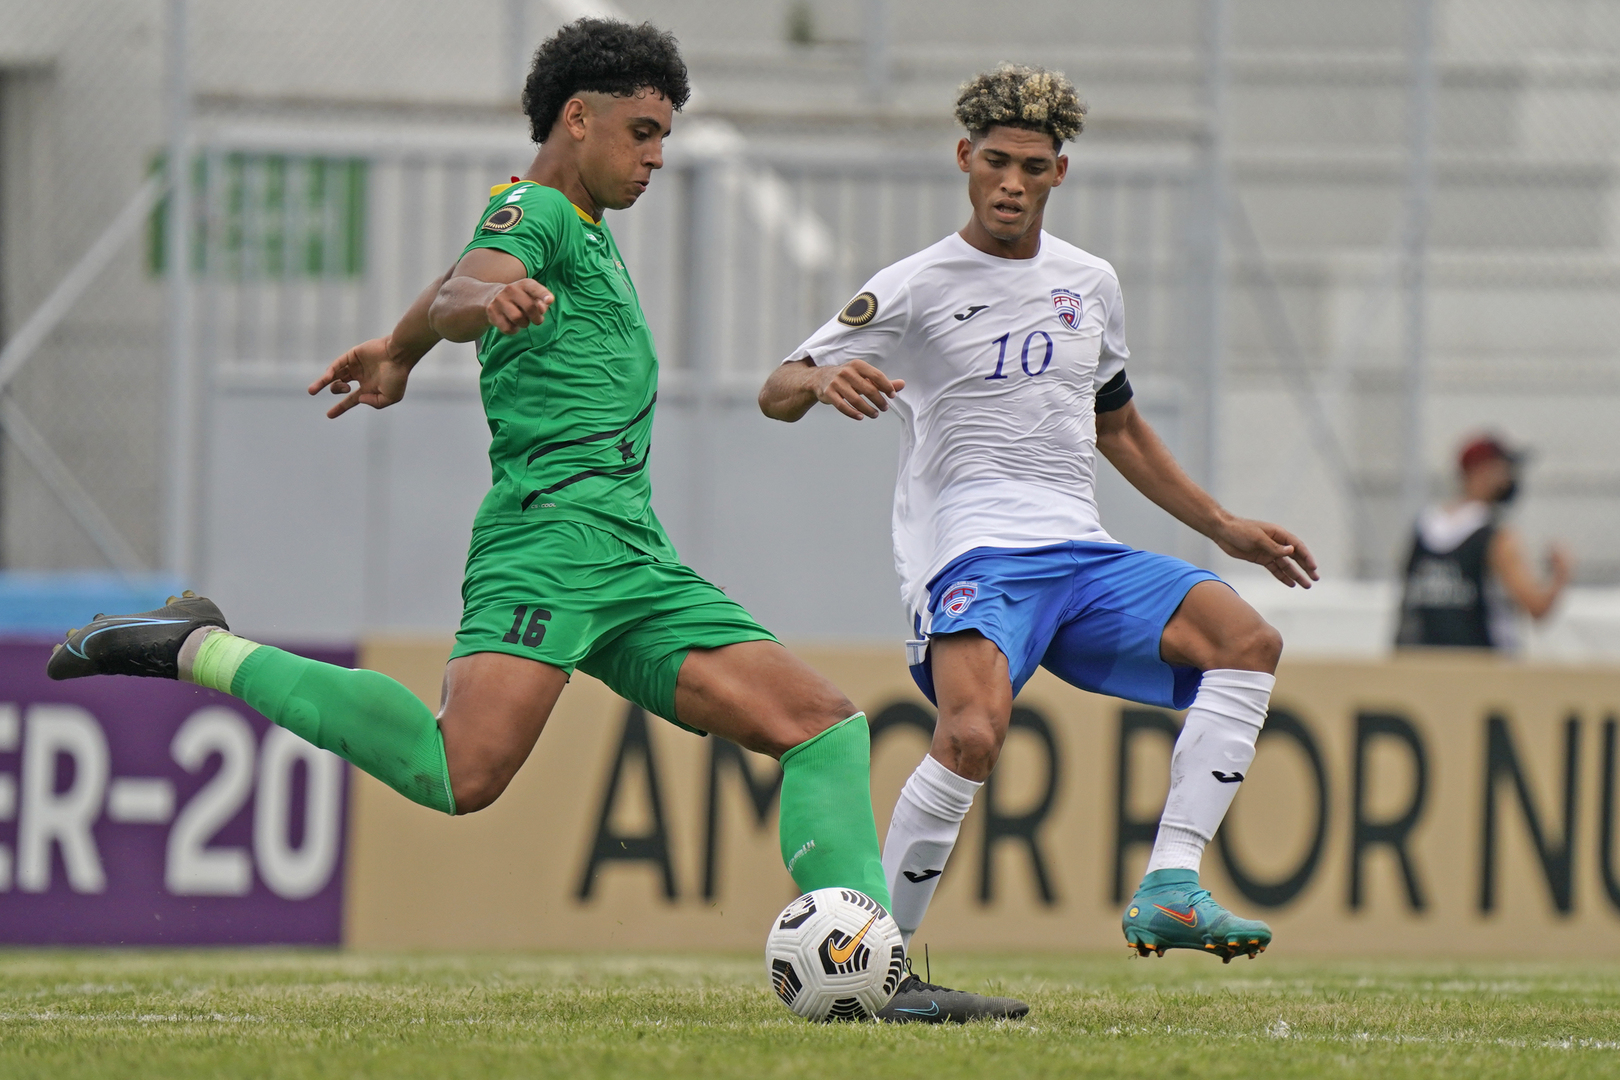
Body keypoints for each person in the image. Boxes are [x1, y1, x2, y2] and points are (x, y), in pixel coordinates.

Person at [46, 18, 1008, 1022]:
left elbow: (455, 284)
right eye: (641, 131)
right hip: (546, 545)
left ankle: (872, 972)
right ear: (576, 118)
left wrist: (402, 350)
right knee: (460, 771)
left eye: (666, 137)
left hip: (631, 557)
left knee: (823, 729)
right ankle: (198, 646)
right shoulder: (536, 209)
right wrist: (476, 308)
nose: (656, 156)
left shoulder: (579, 230)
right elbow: (476, 273)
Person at [760, 64, 1319, 978]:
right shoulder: (916, 284)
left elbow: (1118, 425)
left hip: (1083, 555)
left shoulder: (1090, 284)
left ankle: (1172, 882)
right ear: (963, 160)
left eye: (1032, 165)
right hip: (976, 548)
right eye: (995, 162)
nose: (1011, 182)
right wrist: (822, 379)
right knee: (973, 734)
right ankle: (881, 963)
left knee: (1246, 639)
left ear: (1060, 173)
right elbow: (775, 388)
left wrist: (1223, 527)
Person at [1395, 434, 1571, 650]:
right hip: (1482, 667)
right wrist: (1561, 574)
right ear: (1483, 471)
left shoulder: (1423, 528)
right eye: (1505, 469)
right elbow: (1536, 608)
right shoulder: (1496, 538)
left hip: (1423, 662)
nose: (1511, 478)